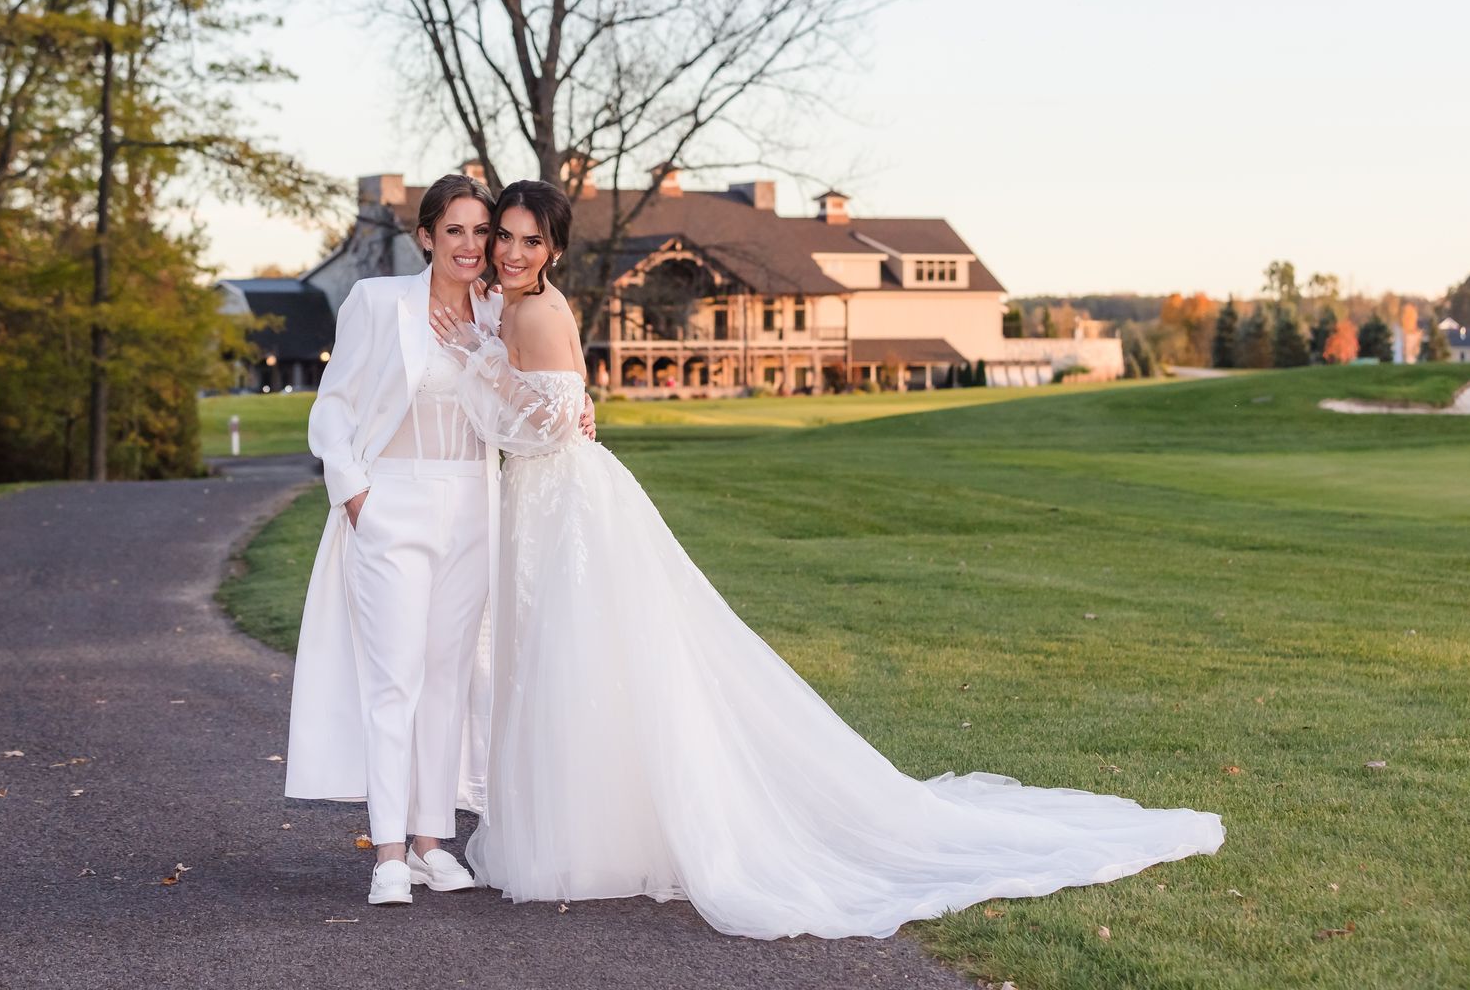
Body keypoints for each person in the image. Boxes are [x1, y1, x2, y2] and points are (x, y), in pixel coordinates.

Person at [432, 180, 1224, 940]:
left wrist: (478, 364)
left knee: (575, 653)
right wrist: (498, 362)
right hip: (551, 496)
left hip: (564, 499)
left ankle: (582, 835)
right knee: (572, 656)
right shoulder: (519, 305)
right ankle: (586, 819)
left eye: (528, 241)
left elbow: (553, 419)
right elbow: (561, 400)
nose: (509, 251)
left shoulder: (535, 310)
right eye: (503, 235)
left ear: (555, 249)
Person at [281, 173, 502, 907]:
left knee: (446, 678)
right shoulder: (379, 303)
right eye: (456, 231)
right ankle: (387, 853)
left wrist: (576, 407)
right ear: (428, 236)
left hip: (473, 504)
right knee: (394, 679)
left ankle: (435, 843)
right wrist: (356, 498)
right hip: (392, 504)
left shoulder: (501, 313)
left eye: (481, 232)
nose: (470, 246)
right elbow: (335, 404)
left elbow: (530, 394)